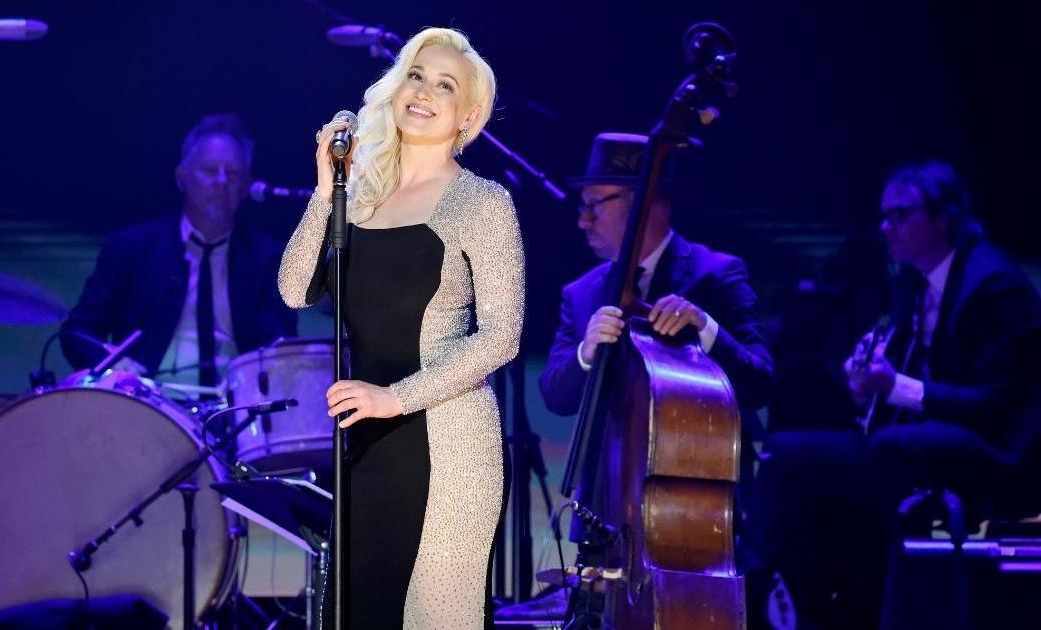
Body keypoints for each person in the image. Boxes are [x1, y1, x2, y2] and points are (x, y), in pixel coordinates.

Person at [278, 27, 523, 628]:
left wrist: (393, 398)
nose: (424, 91)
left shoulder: (481, 202)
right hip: (368, 441)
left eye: (445, 85)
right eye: (416, 75)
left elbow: (502, 335)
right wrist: (325, 190)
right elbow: (294, 289)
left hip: (449, 442)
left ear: (468, 116)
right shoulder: (358, 196)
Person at [747, 159, 1041, 628]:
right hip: (935, 438)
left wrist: (895, 386)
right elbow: (905, 378)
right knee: (808, 469)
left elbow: (997, 406)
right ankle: (813, 606)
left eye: (900, 215)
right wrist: (865, 388)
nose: (886, 227)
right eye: (884, 216)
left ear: (943, 217)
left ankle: (756, 590)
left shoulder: (995, 285)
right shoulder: (914, 282)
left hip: (1000, 451)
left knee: (818, 457)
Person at [538, 132, 773, 424]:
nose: (583, 221)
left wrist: (705, 327)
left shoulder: (718, 274)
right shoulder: (580, 293)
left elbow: (761, 385)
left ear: (643, 204)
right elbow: (555, 398)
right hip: (614, 456)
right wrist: (585, 355)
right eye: (583, 206)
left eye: (594, 204)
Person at [60, 114, 295, 385]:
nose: (221, 181)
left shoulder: (266, 257)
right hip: (143, 399)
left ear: (245, 186)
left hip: (233, 404)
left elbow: (277, 343)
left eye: (233, 173)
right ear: (181, 178)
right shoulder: (132, 248)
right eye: (210, 171)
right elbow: (77, 333)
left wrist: (256, 376)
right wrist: (113, 363)